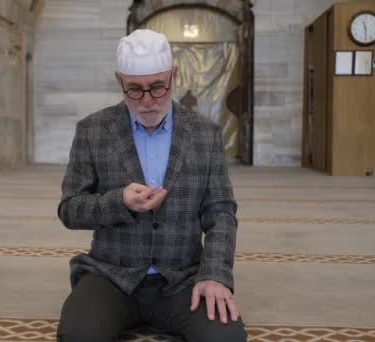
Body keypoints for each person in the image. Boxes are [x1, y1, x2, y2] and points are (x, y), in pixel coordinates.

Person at [56, 29, 246, 342]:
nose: (147, 101)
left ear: (174, 75)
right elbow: (69, 210)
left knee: (226, 338)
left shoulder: (204, 133)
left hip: (182, 278)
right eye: (134, 90)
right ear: (119, 81)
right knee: (77, 335)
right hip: (111, 276)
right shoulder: (93, 131)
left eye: (157, 87)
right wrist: (118, 202)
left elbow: (221, 212)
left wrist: (214, 274)